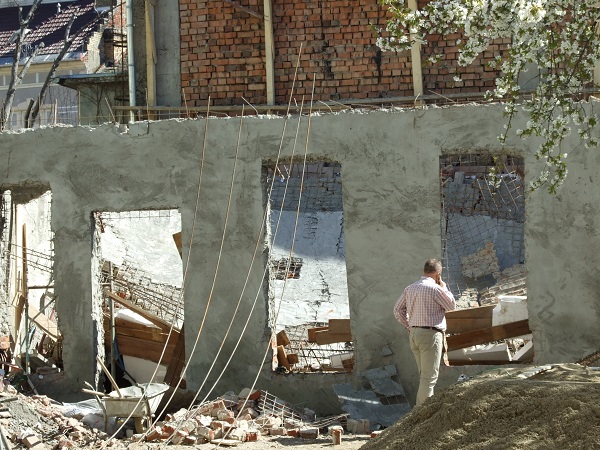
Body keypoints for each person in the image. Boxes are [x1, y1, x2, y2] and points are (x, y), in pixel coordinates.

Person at [393, 258, 456, 406]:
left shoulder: (410, 288)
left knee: (424, 377)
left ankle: (420, 411)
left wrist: (409, 326)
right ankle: (422, 412)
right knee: (429, 378)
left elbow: (397, 310)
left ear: (424, 271)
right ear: (438, 274)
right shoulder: (435, 289)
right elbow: (451, 306)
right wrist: (444, 287)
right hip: (430, 335)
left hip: (414, 334)